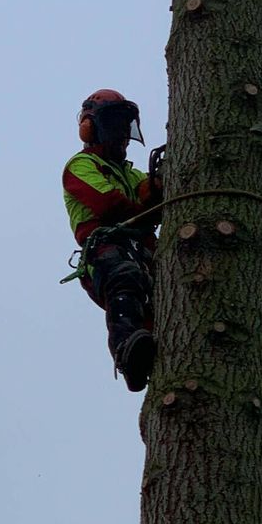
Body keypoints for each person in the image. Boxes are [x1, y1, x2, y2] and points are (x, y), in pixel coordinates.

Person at [62, 89, 163, 391]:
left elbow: (153, 195)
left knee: (162, 306)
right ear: (91, 128)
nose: (121, 135)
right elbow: (109, 204)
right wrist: (148, 207)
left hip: (145, 253)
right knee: (125, 278)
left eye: (124, 127)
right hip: (108, 249)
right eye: (114, 126)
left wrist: (161, 184)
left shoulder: (130, 174)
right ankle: (125, 350)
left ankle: (149, 358)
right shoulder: (81, 166)